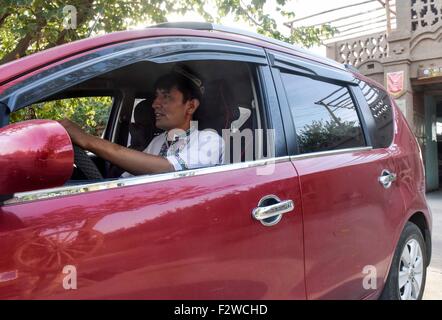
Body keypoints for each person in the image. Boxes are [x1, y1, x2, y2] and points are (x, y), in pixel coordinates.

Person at [59, 66, 225, 177]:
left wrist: (87, 140)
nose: (154, 104)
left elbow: (167, 169)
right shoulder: (158, 141)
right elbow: (127, 178)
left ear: (190, 106)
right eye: (156, 97)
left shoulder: (209, 140)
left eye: (166, 96)